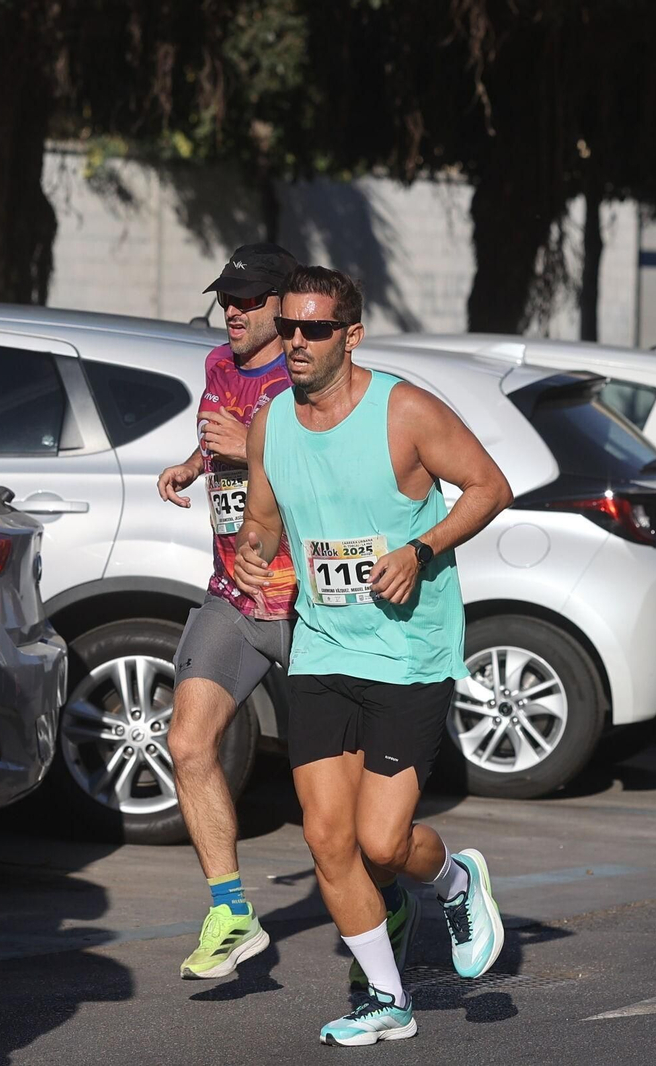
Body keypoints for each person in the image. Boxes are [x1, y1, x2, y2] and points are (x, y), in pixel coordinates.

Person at [234, 266, 514, 1046]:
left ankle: (456, 881)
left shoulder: (404, 411)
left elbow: (490, 487)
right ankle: (387, 1001)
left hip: (408, 651)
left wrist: (421, 549)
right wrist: (256, 554)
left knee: (383, 844)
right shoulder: (272, 424)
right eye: (287, 326)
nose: (296, 341)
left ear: (350, 336)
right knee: (327, 838)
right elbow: (263, 519)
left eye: (314, 328)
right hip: (324, 646)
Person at [155, 242, 299, 979]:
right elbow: (219, 434)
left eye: (248, 300)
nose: (233, 311)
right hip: (235, 597)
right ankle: (231, 909)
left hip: (309, 606)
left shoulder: (305, 376)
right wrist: (196, 461)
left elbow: (333, 478)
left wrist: (251, 450)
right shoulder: (219, 365)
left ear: (286, 304)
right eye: (227, 298)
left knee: (340, 807)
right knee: (188, 743)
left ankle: (400, 891)